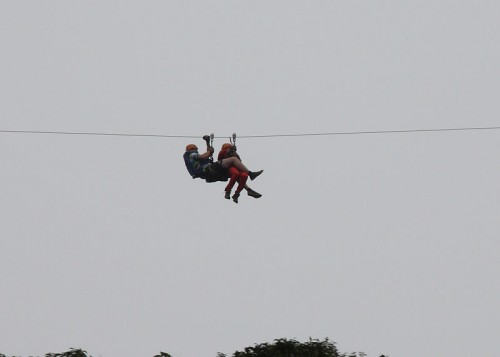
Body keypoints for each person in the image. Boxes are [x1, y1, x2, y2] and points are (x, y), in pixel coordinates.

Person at [183, 139, 263, 202]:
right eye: (196, 149)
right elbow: (204, 156)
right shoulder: (191, 154)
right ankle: (251, 174)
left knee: (237, 174)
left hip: (209, 173)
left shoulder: (193, 160)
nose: (197, 150)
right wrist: (210, 151)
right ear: (192, 149)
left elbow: (207, 156)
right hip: (208, 169)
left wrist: (207, 143)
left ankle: (248, 190)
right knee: (233, 160)